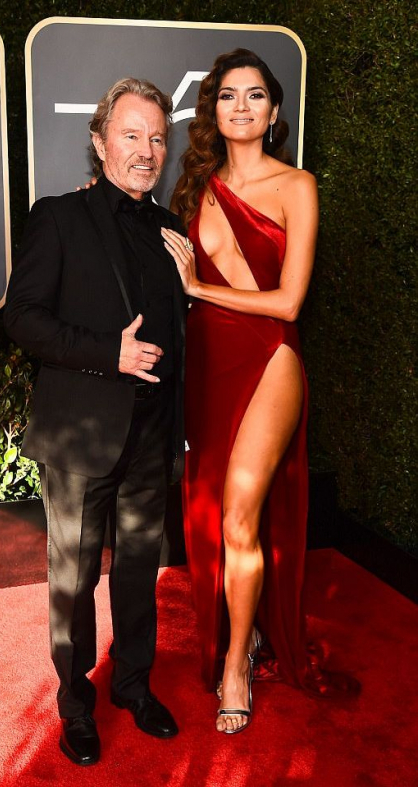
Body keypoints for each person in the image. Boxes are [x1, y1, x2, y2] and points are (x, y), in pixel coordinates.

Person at [4, 78, 187, 765]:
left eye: (157, 138)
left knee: (139, 571)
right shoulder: (58, 216)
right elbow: (22, 318)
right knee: (74, 578)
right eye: (131, 134)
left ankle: (133, 684)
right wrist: (109, 353)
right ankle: (75, 702)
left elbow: (183, 330)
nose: (146, 150)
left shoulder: (173, 231)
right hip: (83, 435)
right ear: (99, 141)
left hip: (152, 433)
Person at [162, 48, 338, 734]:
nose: (242, 106)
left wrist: (197, 288)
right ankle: (246, 629)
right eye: (229, 94)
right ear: (214, 109)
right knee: (215, 515)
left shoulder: (297, 185)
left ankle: (237, 662)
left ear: (273, 110)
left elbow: (289, 302)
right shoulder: (195, 188)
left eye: (255, 94)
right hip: (208, 365)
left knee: (239, 515)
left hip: (270, 358)